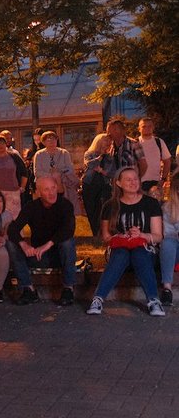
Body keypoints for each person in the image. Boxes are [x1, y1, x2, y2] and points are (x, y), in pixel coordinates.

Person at [86, 167, 164, 316]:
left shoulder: (151, 203)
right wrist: (119, 237)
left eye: (135, 179)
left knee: (139, 253)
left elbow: (158, 236)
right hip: (118, 250)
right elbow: (105, 237)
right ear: (119, 183)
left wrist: (141, 235)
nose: (133, 182)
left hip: (145, 250)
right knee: (121, 254)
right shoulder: (110, 205)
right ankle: (98, 299)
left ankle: (154, 301)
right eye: (128, 179)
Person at [6, 176, 78, 306]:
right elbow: (13, 228)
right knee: (11, 244)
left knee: (68, 242)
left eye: (53, 188)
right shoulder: (32, 207)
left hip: (61, 255)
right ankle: (28, 289)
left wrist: (48, 244)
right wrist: (23, 244)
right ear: (38, 192)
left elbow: (69, 230)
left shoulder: (65, 205)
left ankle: (68, 289)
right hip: (39, 255)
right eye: (46, 190)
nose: (51, 193)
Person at [81, 133, 116, 237]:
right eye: (106, 141)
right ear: (99, 141)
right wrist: (100, 158)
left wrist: (101, 170)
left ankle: (104, 232)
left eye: (109, 142)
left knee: (104, 208)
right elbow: (90, 164)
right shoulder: (89, 153)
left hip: (104, 185)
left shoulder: (110, 157)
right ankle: (95, 233)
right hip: (89, 184)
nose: (108, 143)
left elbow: (111, 172)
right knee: (91, 209)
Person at [33, 131, 77, 204]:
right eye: (48, 140)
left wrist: (59, 172)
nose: (52, 141)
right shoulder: (39, 154)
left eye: (54, 139)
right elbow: (37, 172)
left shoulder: (64, 153)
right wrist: (50, 175)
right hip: (46, 185)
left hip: (63, 184)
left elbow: (69, 169)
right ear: (43, 142)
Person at [137, 117, 172, 192]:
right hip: (138, 184)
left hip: (156, 183)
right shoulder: (135, 143)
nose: (147, 128)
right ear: (139, 129)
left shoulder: (159, 142)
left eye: (150, 126)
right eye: (144, 126)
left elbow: (167, 161)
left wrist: (163, 179)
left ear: (153, 127)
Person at [160, 178, 179, 306]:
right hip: (176, 248)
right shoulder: (168, 208)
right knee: (168, 243)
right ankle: (167, 288)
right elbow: (167, 233)